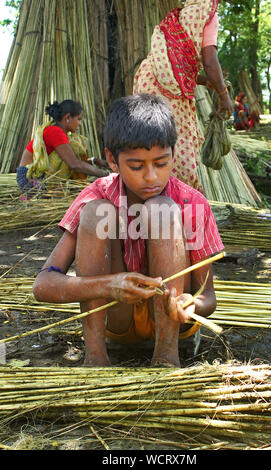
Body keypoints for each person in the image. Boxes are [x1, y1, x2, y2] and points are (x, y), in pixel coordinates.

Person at [33, 94, 224, 368]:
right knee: (96, 212)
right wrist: (109, 285)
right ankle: (95, 358)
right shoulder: (97, 194)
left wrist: (191, 305)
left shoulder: (191, 203)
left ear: (173, 153)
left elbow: (209, 297)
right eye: (136, 166)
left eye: (161, 163)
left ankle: (166, 358)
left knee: (162, 209)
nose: (151, 177)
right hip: (117, 322)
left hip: (176, 325)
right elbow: (43, 285)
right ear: (112, 159)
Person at [133, 0, 233, 190]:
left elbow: (175, 64)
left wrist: (205, 81)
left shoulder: (182, 14)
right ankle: (179, 200)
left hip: (149, 79)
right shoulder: (208, 15)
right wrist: (223, 94)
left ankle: (147, 193)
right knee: (178, 149)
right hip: (169, 93)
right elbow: (210, 61)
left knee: (148, 142)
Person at [16, 100, 109, 197]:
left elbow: (74, 160)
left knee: (73, 147)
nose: (80, 124)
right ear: (68, 117)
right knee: (74, 147)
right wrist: (105, 174)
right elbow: (74, 164)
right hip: (28, 178)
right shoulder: (55, 132)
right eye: (79, 119)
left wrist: (95, 161)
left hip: (32, 176)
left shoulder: (58, 131)